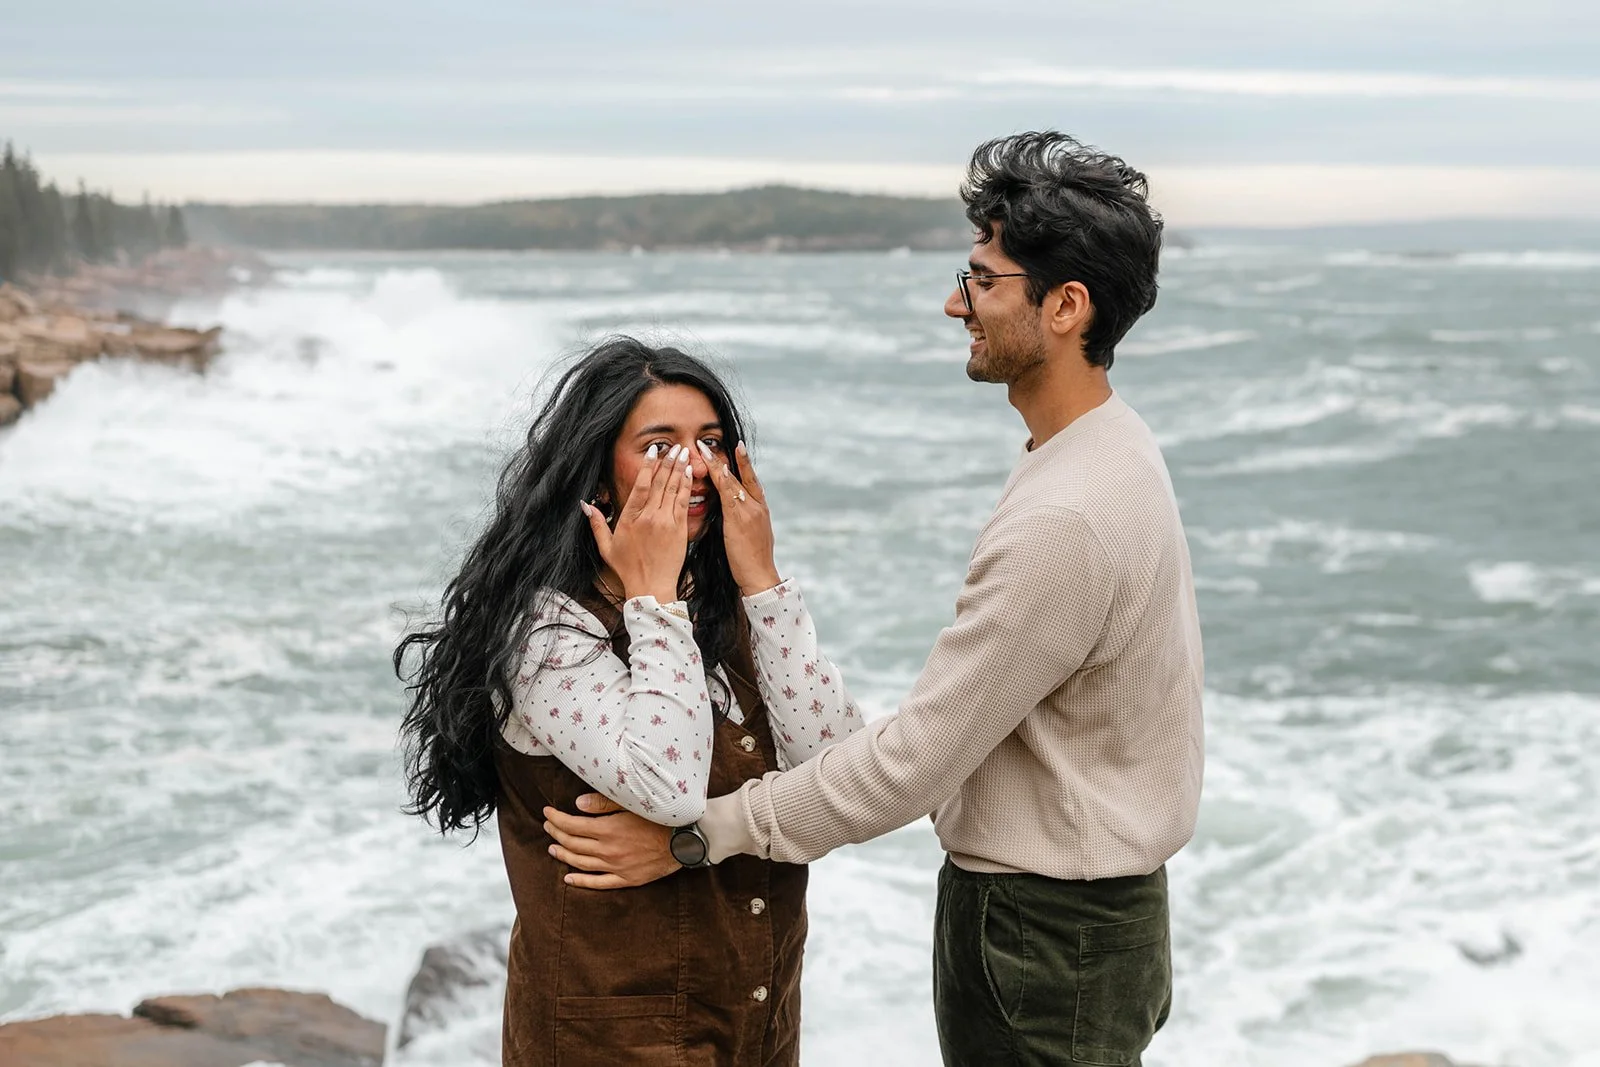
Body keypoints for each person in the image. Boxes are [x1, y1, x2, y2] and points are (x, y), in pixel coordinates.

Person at [543, 132, 1206, 1067]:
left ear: (1065, 306)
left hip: (1045, 934)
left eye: (981, 280)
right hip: (1093, 920)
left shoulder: (1069, 514)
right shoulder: (1111, 448)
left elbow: (909, 767)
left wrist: (699, 838)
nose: (954, 303)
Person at [395, 337, 862, 1067]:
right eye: (658, 445)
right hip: (611, 1040)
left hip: (754, 1022)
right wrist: (652, 593)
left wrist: (763, 580)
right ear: (599, 475)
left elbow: (838, 768)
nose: (694, 465)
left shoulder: (724, 608)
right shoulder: (548, 630)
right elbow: (667, 787)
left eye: (711, 441)